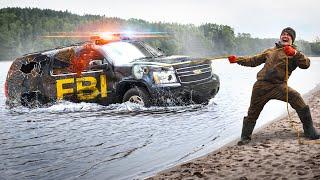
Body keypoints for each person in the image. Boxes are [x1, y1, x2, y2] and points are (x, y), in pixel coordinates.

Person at [228, 27, 320, 145]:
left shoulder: (295, 53)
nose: (285, 36)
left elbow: (306, 64)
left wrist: (295, 53)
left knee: (297, 98)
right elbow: (253, 60)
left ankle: (309, 130)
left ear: (292, 40)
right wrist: (237, 59)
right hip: (261, 86)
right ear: (280, 37)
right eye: (283, 34)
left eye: (288, 35)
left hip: (279, 86)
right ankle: (245, 137)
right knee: (252, 112)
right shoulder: (270, 51)